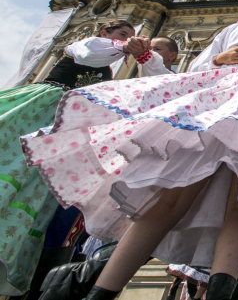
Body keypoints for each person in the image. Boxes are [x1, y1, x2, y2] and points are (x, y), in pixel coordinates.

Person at [21, 0, 238, 300]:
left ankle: (101, 292)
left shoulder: (229, 30)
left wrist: (222, 60)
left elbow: (197, 66)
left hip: (218, 103)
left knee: (170, 200)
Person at [0, 20, 148, 298]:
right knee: (15, 161)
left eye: (131, 36)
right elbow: (89, 51)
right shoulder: (82, 46)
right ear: (105, 34)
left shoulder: (108, 70)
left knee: (40, 182)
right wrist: (122, 46)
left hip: (68, 122)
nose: (128, 39)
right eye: (122, 34)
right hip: (46, 107)